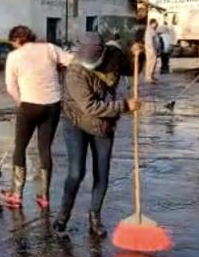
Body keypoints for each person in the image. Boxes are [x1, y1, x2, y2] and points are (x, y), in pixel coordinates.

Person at [54, 32, 141, 237]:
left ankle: (95, 217)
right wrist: (124, 105)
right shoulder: (75, 72)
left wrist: (138, 55)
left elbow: (131, 69)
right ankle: (63, 215)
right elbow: (90, 107)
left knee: (102, 172)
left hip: (104, 125)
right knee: (76, 172)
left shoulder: (114, 55)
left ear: (103, 52)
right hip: (76, 122)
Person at [4, 25, 74, 209]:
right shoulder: (50, 48)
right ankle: (44, 195)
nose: (13, 47)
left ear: (18, 39)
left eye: (13, 43)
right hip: (52, 105)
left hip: (29, 104)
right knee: (45, 149)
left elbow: (10, 86)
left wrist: (21, 102)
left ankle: (16, 193)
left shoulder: (14, 57)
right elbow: (72, 61)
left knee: (20, 147)